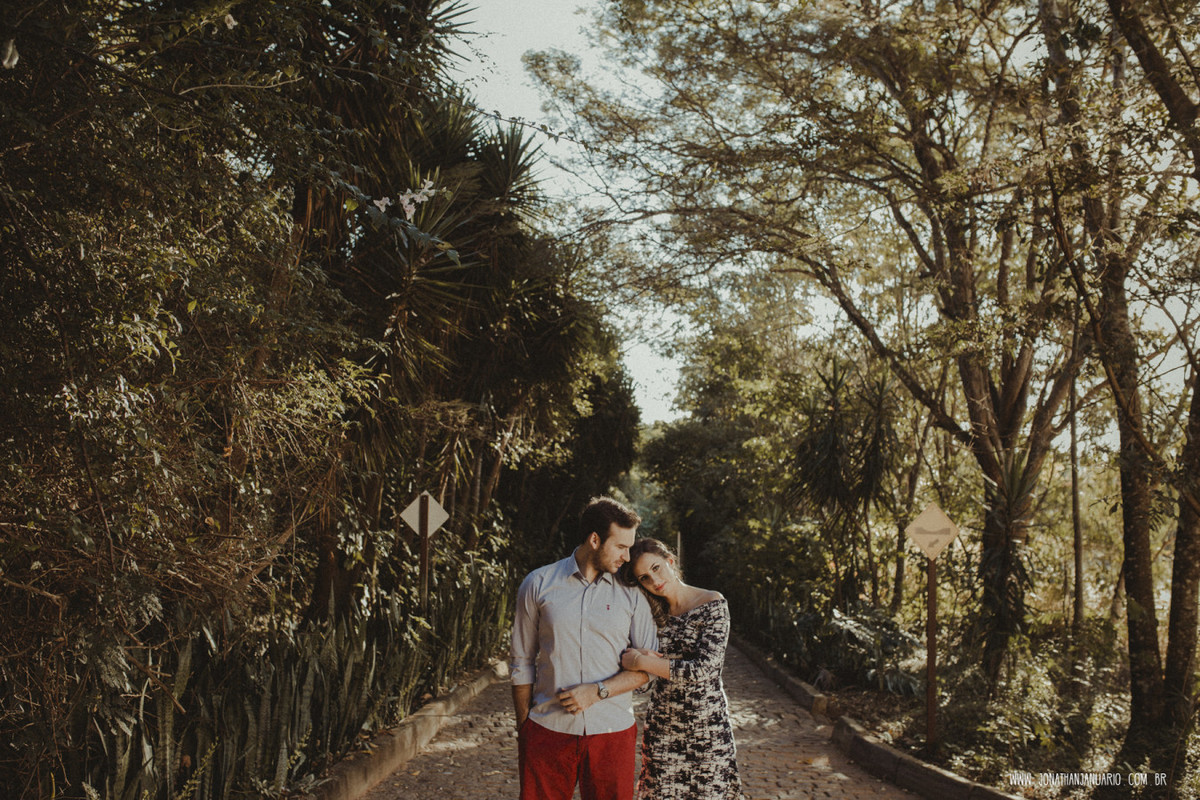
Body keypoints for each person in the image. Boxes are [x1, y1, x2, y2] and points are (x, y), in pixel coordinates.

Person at [510, 496, 659, 800]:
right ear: (594, 539)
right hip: (547, 730)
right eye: (620, 547)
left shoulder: (633, 594)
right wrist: (526, 726)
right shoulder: (538, 583)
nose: (627, 557)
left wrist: (597, 691)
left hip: (613, 732)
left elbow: (647, 669)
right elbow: (521, 661)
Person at [619, 538, 743, 800]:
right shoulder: (652, 614)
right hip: (663, 730)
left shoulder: (712, 603)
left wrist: (641, 660)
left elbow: (703, 670)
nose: (654, 580)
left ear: (670, 561)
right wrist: (640, 664)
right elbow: (646, 683)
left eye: (656, 568)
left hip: (707, 731)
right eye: (644, 578)